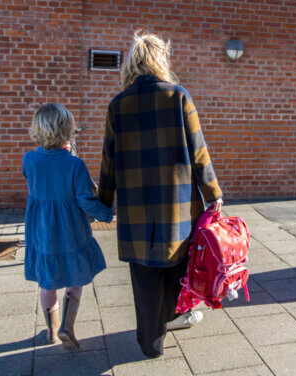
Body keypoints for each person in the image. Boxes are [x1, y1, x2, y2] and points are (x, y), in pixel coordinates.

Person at [98, 31, 223, 358]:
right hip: (176, 204)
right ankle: (170, 316)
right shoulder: (178, 97)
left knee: (144, 275)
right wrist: (213, 193)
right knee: (175, 266)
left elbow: (108, 159)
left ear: (132, 63)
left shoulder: (118, 105)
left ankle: (151, 342)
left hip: (136, 207)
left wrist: (104, 202)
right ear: (159, 61)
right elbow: (199, 152)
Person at [23, 103, 113, 351]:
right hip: (70, 231)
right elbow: (85, 200)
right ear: (67, 131)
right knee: (75, 277)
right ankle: (67, 326)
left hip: (41, 232)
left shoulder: (29, 160)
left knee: (47, 281)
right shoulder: (75, 165)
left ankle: (51, 331)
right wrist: (107, 214)